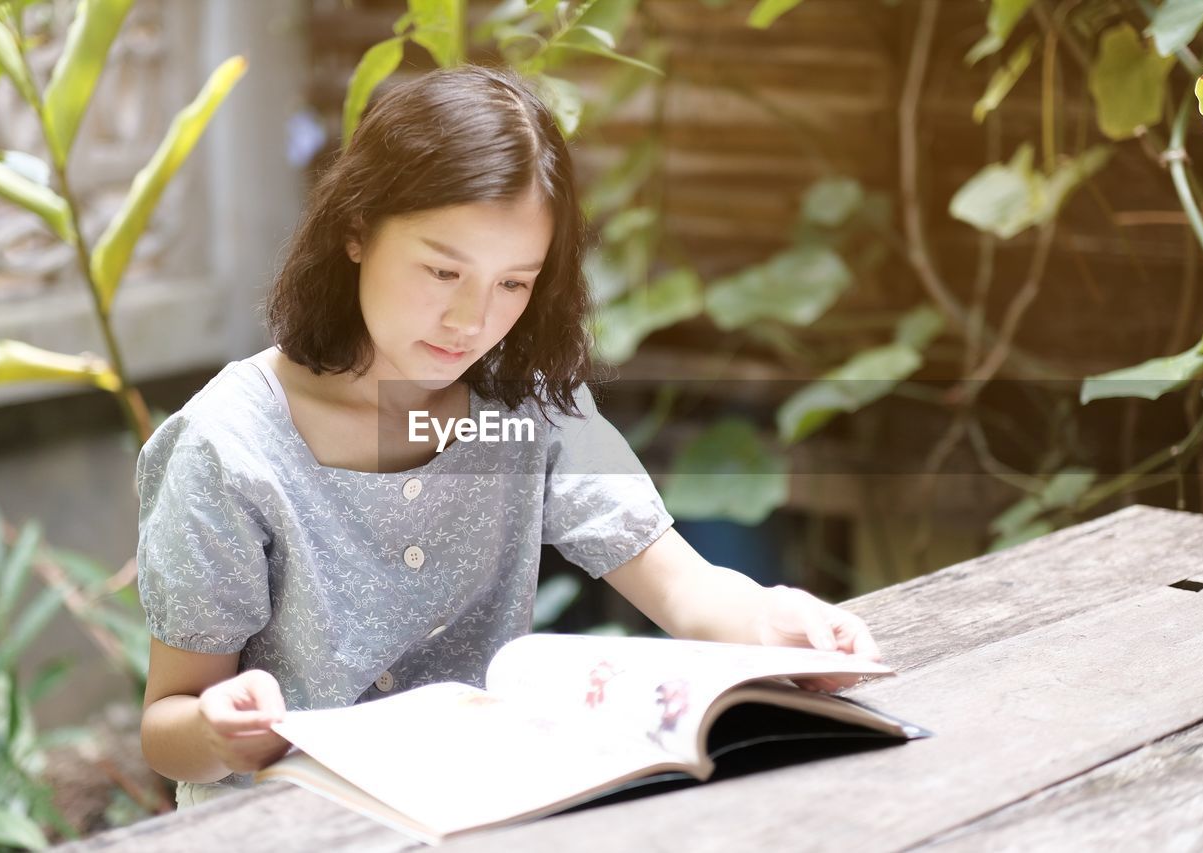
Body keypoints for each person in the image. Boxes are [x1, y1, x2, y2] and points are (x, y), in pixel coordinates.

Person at [136, 63, 882, 810]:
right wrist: (218, 728)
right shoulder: (228, 445)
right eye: (441, 269)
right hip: (282, 825)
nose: (471, 321)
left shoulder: (521, 404)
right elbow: (167, 725)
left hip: (484, 809)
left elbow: (682, 584)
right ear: (355, 230)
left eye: (514, 283)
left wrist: (772, 618)